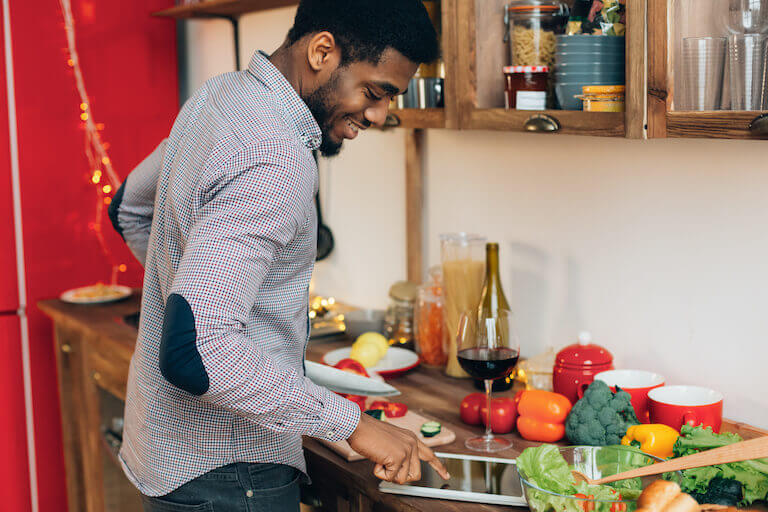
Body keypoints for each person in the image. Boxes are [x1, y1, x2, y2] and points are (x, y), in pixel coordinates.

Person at [107, 1, 450, 510]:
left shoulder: (218, 97)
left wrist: (186, 284)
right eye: (374, 92)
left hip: (166, 453)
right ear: (322, 51)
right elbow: (196, 350)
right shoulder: (277, 154)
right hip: (229, 468)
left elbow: (127, 206)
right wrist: (354, 425)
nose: (378, 115)